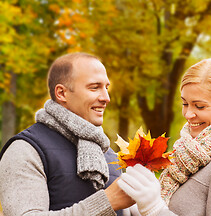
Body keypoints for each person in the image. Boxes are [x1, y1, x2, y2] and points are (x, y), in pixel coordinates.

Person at [118, 58, 211, 216]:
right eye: (185, 104)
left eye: (199, 106)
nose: (188, 114)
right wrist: (132, 204)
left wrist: (154, 209)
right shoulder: (186, 158)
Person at [0, 52, 135, 215]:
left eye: (106, 88)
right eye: (94, 87)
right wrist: (107, 201)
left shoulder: (109, 155)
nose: (106, 98)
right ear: (62, 93)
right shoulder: (25, 149)